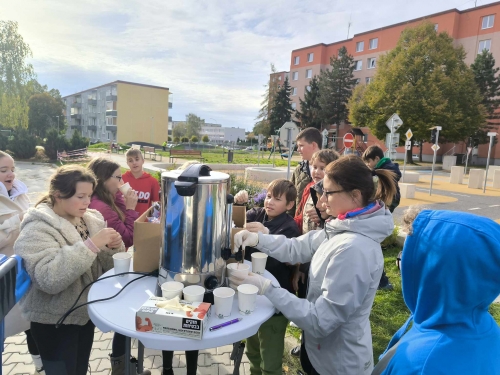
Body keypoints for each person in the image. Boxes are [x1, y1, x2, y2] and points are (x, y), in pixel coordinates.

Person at [230, 155, 397, 375]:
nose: (321, 202)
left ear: (355, 195)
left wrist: (266, 287)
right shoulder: (344, 225)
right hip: (321, 351)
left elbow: (320, 320)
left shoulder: (354, 249)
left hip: (337, 364)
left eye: (328, 193)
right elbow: (297, 248)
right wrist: (258, 239)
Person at [14, 165, 125, 375]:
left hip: (83, 316)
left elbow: (107, 268)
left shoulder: (90, 219)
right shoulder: (37, 227)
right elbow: (48, 279)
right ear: (58, 195)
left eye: (90, 195)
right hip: (53, 321)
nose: (87, 202)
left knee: (79, 369)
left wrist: (114, 247)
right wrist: (91, 245)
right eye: (81, 196)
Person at [372, 210, 500, 375]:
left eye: (410, 256)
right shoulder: (485, 328)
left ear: (435, 270)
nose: (402, 264)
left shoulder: (417, 363)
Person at [86, 158, 150, 375]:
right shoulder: (99, 206)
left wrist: (122, 197)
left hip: (114, 267)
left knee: (126, 319)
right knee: (124, 315)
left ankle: (123, 364)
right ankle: (121, 368)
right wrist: (132, 208)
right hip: (108, 272)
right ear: (103, 179)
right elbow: (129, 237)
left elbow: (122, 222)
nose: (122, 180)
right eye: (117, 177)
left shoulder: (109, 199)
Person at [239, 179, 300, 375]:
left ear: (290, 205)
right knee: (253, 352)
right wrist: (239, 204)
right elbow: (237, 219)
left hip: (275, 304)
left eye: (277, 199)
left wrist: (266, 236)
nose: (269, 202)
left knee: (270, 360)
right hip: (253, 297)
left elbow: (287, 256)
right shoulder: (257, 214)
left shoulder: (290, 228)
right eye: (268, 196)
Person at [290, 150, 339, 358]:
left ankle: (315, 347)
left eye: (322, 168)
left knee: (317, 301)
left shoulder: (332, 198)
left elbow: (334, 226)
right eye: (314, 166)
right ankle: (305, 342)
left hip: (322, 258)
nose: (317, 171)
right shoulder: (309, 188)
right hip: (305, 254)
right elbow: (300, 219)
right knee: (304, 296)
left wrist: (323, 216)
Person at [0, 151, 43, 373]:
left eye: (13, 168)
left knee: (31, 324)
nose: (10, 174)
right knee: (5, 325)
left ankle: (40, 365)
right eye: (3, 170)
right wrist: (15, 224)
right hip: (4, 275)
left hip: (25, 270)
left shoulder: (20, 192)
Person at [362, 145, 402, 291]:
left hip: (384, 205)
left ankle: (382, 282)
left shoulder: (387, 168)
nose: (368, 165)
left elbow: (392, 177)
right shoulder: (385, 167)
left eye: (369, 162)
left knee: (373, 244)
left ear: (377, 159)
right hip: (381, 206)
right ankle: (380, 281)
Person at [288, 127, 322, 216]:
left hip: (325, 226)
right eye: (298, 146)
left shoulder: (332, 168)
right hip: (299, 226)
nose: (298, 149)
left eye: (301, 146)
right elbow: (290, 200)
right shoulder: (298, 170)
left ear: (314, 145)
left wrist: (324, 213)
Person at [122, 148, 160, 216]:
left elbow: (156, 203)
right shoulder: (122, 179)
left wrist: (154, 220)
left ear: (143, 161)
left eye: (137, 159)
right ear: (127, 163)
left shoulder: (152, 181)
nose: (134, 163)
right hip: (126, 221)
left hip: (143, 222)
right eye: (130, 161)